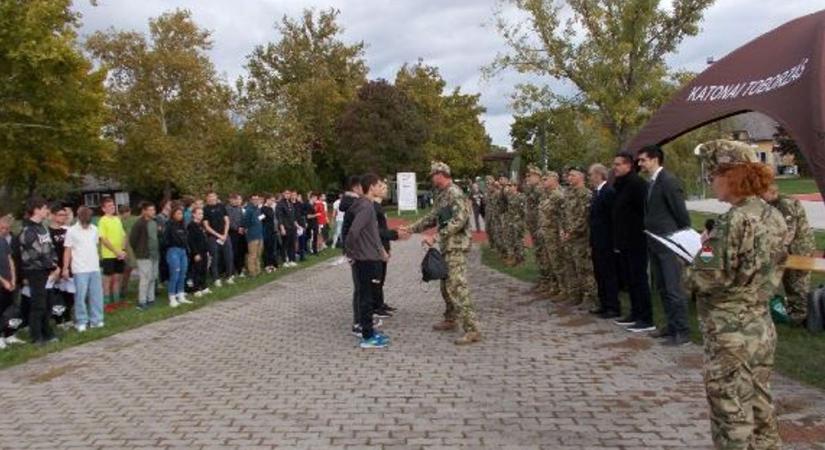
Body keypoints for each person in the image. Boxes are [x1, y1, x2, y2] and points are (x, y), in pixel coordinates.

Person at [688, 161, 787, 450]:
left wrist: (701, 250)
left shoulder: (733, 220)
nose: (711, 181)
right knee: (760, 405)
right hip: (760, 325)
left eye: (715, 175)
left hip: (730, 332)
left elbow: (705, 278)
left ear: (732, 177)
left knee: (730, 412)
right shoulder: (773, 215)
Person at [402, 162, 481, 345]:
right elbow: (433, 217)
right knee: (446, 286)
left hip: (456, 246)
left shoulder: (454, 193)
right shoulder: (442, 194)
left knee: (457, 286)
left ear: (441, 174)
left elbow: (459, 221)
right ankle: (450, 318)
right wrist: (411, 229)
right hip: (448, 246)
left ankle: (472, 329)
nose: (431, 178)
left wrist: (436, 236)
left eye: (433, 175)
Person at [638, 144, 691, 346]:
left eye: (643, 160)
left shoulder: (668, 181)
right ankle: (671, 326)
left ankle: (682, 331)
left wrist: (680, 238)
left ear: (654, 159)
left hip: (669, 242)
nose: (640, 164)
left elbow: (681, 213)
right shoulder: (652, 182)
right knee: (662, 286)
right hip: (655, 241)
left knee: (672, 287)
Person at [345, 173, 390, 349]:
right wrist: (351, 254)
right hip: (364, 259)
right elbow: (353, 232)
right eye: (379, 185)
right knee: (365, 298)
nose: (381, 188)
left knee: (368, 296)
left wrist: (381, 251)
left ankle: (369, 331)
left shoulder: (368, 205)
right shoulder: (365, 207)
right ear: (371, 187)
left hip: (371, 256)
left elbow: (372, 233)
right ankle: (367, 337)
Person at [611, 152, 655, 332]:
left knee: (639, 278)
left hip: (636, 239)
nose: (615, 168)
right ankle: (635, 313)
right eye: (614, 164)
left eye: (619, 164)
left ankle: (646, 318)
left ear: (629, 165)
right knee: (630, 279)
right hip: (624, 240)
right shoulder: (621, 184)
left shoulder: (637, 184)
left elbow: (644, 211)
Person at [762, 183, 816, 325]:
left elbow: (789, 230)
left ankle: (800, 316)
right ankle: (795, 310)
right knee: (790, 280)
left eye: (762, 193)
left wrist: (779, 248)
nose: (760, 197)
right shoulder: (775, 204)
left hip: (799, 249)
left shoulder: (785, 204)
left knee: (797, 281)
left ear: (770, 191)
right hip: (794, 248)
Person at [20, 197, 61, 345]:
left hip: (48, 271)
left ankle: (47, 332)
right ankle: (36, 336)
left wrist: (55, 265)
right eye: (44, 208)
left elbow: (50, 248)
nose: (47, 211)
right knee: (38, 305)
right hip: (36, 271)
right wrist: (52, 267)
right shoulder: (28, 230)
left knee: (48, 303)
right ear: (36, 210)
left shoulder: (42, 227)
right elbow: (35, 254)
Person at [559, 167, 596, 310]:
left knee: (584, 269)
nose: (569, 178)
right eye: (568, 176)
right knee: (570, 267)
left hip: (581, 238)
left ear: (581, 177)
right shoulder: (568, 194)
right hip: (569, 237)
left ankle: (590, 297)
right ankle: (575, 295)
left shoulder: (586, 194)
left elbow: (583, 218)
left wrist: (571, 232)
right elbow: (563, 214)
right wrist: (562, 230)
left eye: (572, 176)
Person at [63, 206, 104, 331]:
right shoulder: (71, 231)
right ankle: (81, 321)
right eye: (84, 221)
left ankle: (96, 320)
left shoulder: (95, 229)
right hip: (79, 268)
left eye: (88, 221)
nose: (86, 224)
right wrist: (65, 267)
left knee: (96, 295)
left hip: (94, 267)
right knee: (80, 296)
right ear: (79, 218)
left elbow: (95, 245)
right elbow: (68, 250)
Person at [587, 163, 620, 318]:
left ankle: (613, 306)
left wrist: (614, 241)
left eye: (591, 175)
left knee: (608, 274)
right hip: (597, 240)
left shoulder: (608, 192)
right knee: (599, 273)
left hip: (607, 241)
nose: (590, 177)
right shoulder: (597, 192)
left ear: (599, 175)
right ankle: (604, 303)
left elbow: (613, 218)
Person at [373, 179, 403, 318]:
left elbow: (383, 228)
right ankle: (376, 306)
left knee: (382, 277)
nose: (386, 190)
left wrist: (388, 246)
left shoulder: (380, 207)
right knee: (377, 277)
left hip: (384, 245)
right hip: (377, 248)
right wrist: (395, 234)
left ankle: (380, 302)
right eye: (383, 188)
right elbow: (376, 231)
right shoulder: (373, 207)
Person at [537, 172, 565, 300]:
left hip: (555, 234)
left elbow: (562, 216)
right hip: (546, 233)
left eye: (546, 179)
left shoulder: (558, 195)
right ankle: (554, 286)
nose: (543, 182)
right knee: (549, 261)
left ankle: (564, 289)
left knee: (558, 261)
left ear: (554, 179)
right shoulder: (547, 195)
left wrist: (561, 232)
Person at [129, 202, 160, 311]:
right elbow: (132, 240)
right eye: (150, 210)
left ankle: (150, 299)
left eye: (154, 210)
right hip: (144, 255)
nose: (153, 212)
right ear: (145, 211)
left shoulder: (154, 222)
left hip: (154, 254)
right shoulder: (139, 224)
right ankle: (142, 301)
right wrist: (139, 251)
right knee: (145, 278)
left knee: (152, 277)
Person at [97, 197, 127, 306]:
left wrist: (122, 251)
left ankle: (117, 301)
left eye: (113, 205)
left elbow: (124, 235)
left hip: (119, 255)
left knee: (117, 278)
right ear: (103, 209)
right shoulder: (102, 221)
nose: (112, 207)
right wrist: (116, 251)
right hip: (108, 255)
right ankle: (106, 303)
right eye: (109, 206)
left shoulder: (117, 219)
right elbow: (103, 239)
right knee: (107, 280)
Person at [203, 192, 235, 287]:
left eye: (214, 197)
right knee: (215, 258)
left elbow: (227, 220)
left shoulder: (221, 206)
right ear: (207, 198)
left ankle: (229, 276)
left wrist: (225, 234)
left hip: (225, 235)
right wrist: (218, 235)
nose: (212, 199)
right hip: (212, 237)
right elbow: (206, 226)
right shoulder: (205, 209)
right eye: (210, 197)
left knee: (229, 256)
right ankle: (216, 279)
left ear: (217, 197)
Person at [48, 204, 73, 326]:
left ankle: (68, 318)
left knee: (69, 294)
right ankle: (58, 320)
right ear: (53, 216)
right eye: (60, 215)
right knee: (56, 295)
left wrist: (67, 267)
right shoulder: (48, 232)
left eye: (65, 215)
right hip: (55, 268)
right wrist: (54, 269)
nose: (63, 217)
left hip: (67, 267)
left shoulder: (67, 230)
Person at [164, 206, 192, 308]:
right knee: (175, 274)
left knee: (183, 274)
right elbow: (165, 240)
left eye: (181, 213)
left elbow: (186, 238)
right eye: (178, 213)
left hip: (183, 251)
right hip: (173, 251)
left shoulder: (183, 225)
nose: (180, 215)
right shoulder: (169, 225)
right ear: (173, 214)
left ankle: (181, 294)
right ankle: (172, 297)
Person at [0, 216, 17, 349]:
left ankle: (10, 334)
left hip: (9, 282)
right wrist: (3, 281)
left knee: (10, 309)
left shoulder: (4, 242)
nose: (4, 231)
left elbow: (10, 260)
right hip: (2, 282)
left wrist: (13, 278)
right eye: (2, 228)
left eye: (6, 228)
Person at [187, 206, 210, 297]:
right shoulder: (191, 225)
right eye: (199, 213)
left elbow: (204, 238)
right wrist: (195, 253)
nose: (201, 215)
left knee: (204, 269)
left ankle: (203, 286)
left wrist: (207, 250)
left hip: (204, 251)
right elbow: (191, 241)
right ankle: (195, 288)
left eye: (202, 213)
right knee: (196, 270)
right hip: (197, 252)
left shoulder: (201, 225)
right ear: (194, 214)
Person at [242, 194, 264, 277]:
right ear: (251, 200)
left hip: (260, 234)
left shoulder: (258, 209)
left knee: (258, 254)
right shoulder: (249, 210)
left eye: (257, 199)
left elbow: (260, 219)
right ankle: (252, 272)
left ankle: (258, 270)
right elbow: (246, 222)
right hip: (252, 235)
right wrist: (247, 230)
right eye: (254, 199)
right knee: (252, 254)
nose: (256, 201)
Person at [226, 194, 247, 278]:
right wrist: (237, 228)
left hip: (241, 232)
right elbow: (229, 221)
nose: (235, 201)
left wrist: (242, 227)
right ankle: (233, 270)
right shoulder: (227, 209)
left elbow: (242, 218)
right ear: (230, 200)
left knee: (241, 251)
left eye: (236, 199)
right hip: (232, 233)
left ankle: (240, 269)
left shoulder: (239, 208)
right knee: (234, 252)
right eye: (233, 199)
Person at [276, 190, 298, 267]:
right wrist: (282, 228)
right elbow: (280, 217)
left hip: (292, 227)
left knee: (292, 244)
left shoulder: (290, 203)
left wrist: (297, 226)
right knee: (285, 244)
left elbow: (293, 216)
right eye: (286, 193)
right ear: (283, 194)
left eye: (289, 193)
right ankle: (284, 260)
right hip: (285, 227)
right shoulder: (280, 204)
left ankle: (292, 259)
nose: (288, 195)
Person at [119, 205, 136, 298]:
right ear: (125, 212)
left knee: (127, 269)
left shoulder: (125, 221)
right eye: (128, 212)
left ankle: (123, 290)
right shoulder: (119, 222)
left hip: (127, 249)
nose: (129, 215)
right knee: (124, 270)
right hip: (122, 249)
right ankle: (121, 291)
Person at [261, 194, 279, 273]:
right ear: (267, 200)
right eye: (271, 200)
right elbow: (261, 219)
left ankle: (272, 264)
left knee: (272, 249)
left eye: (273, 200)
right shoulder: (263, 209)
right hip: (266, 231)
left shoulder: (271, 209)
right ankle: (267, 265)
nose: (273, 202)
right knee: (267, 249)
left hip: (272, 231)